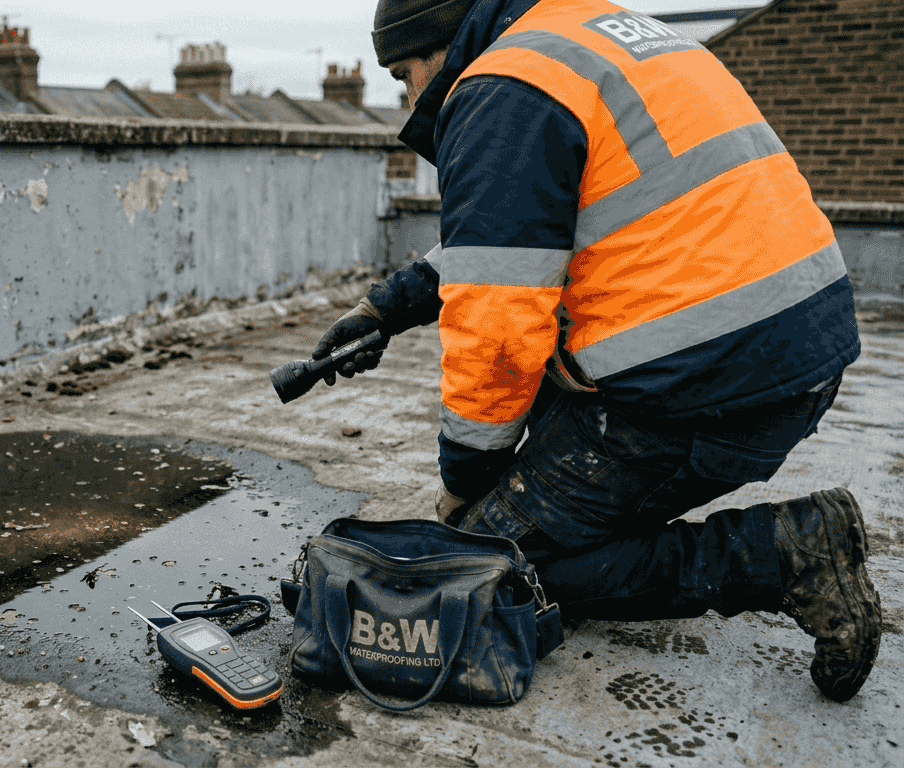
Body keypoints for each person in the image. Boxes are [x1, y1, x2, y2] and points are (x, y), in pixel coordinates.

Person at [313, 0, 882, 701]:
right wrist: (385, 308)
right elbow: (514, 228)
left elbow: (495, 335)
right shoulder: (585, 35)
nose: (408, 100)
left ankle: (787, 554)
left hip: (712, 380)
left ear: (443, 42)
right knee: (541, 501)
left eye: (405, 74)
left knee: (495, 561)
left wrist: (465, 484)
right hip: (792, 346)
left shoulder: (501, 85)